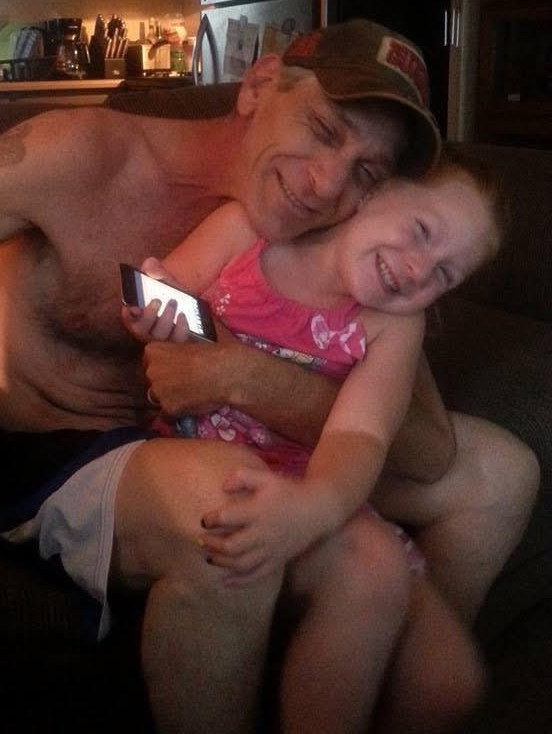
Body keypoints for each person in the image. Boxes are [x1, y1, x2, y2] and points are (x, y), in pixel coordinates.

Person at [0, 19, 538, 734]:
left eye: (367, 172)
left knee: (503, 474)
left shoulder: (349, 239)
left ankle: (381, 684)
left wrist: (246, 378)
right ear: (259, 85)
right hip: (57, 452)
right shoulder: (75, 156)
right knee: (223, 495)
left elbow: (424, 450)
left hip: (231, 435)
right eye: (324, 129)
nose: (328, 184)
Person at [121, 150, 504, 604]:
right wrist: (151, 314)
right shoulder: (245, 232)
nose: (418, 270)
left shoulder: (396, 324)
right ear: (374, 189)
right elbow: (163, 295)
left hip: (308, 485)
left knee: (421, 635)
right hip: (196, 465)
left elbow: (361, 437)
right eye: (420, 231)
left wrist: (315, 506)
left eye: (444, 274)